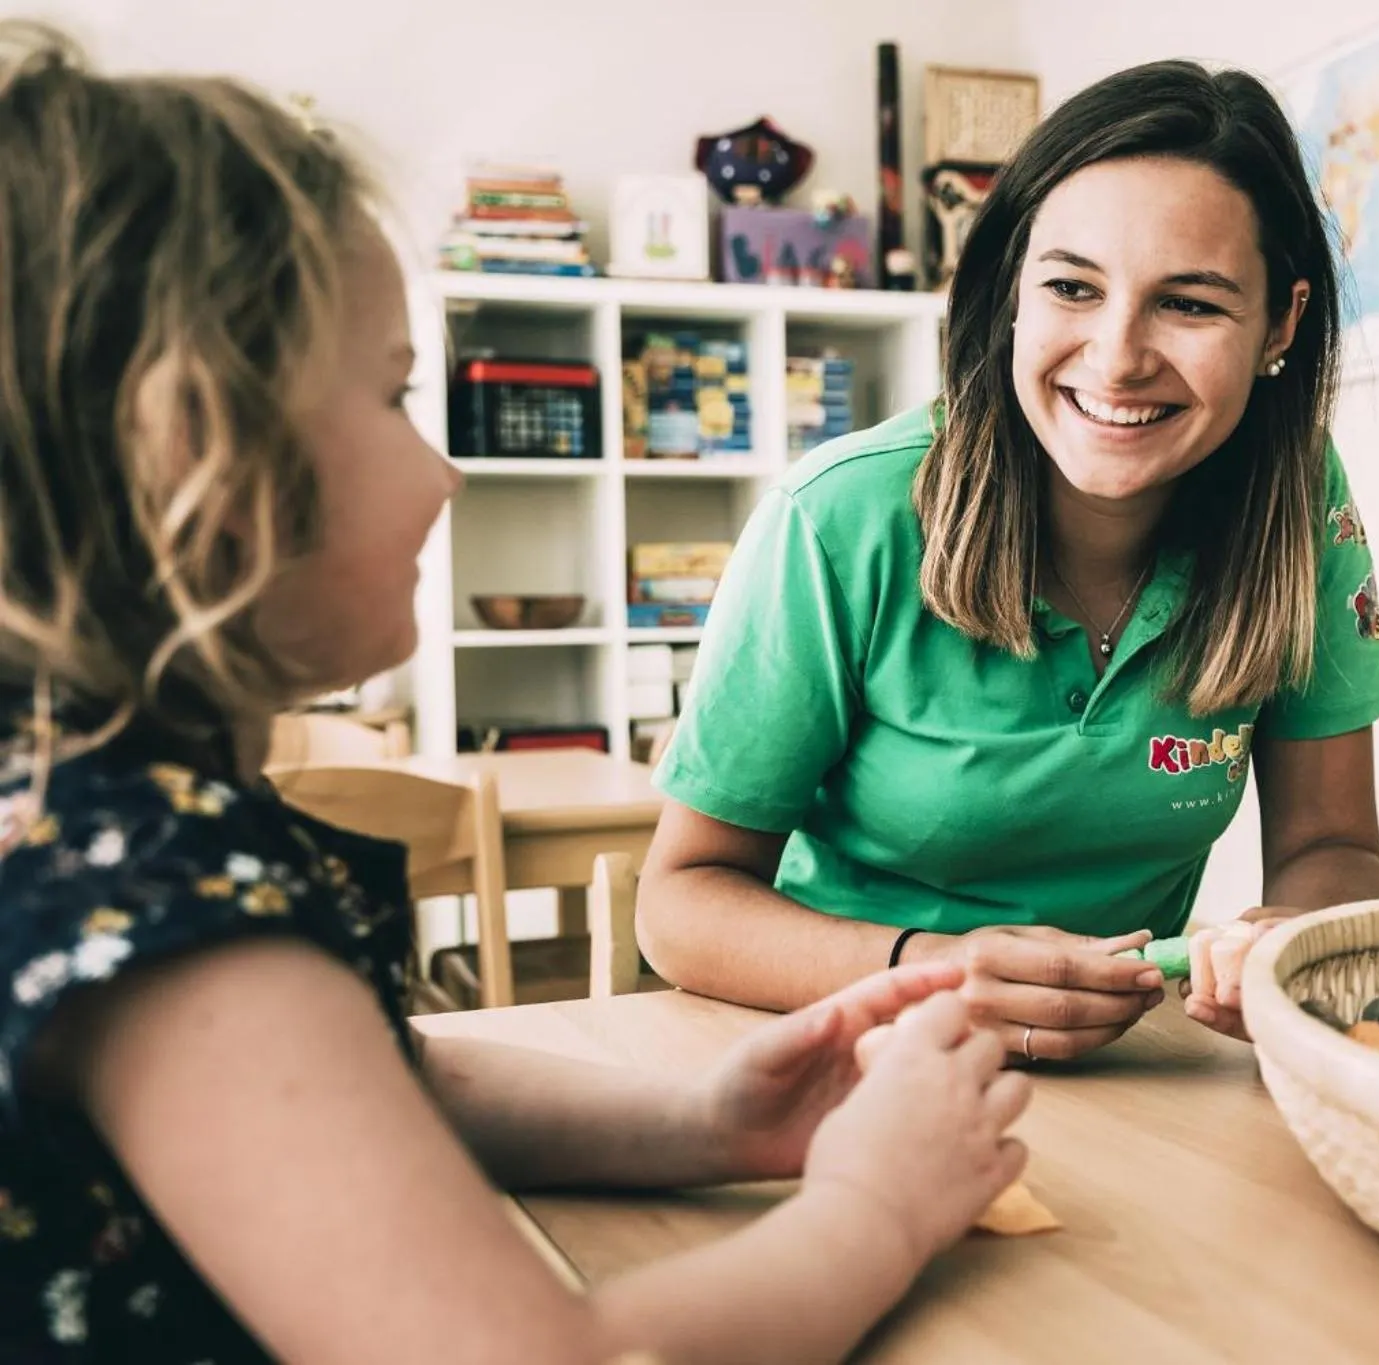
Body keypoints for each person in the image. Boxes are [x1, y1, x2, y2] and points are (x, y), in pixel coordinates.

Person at [0, 26, 1027, 1364]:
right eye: (392, 396)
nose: (447, 475)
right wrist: (877, 1204)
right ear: (196, 452)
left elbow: (377, 1082)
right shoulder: (153, 893)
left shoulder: (86, 809)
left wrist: (710, 1123)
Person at [642, 58, 1379, 1063]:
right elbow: (679, 906)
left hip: (1137, 1076)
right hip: (842, 1057)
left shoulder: (1300, 504)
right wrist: (931, 969)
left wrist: (1283, 943)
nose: (1117, 356)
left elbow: (1330, 849)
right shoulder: (838, 519)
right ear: (1009, 294)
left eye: (1190, 304)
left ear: (1281, 325)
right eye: (1072, 288)